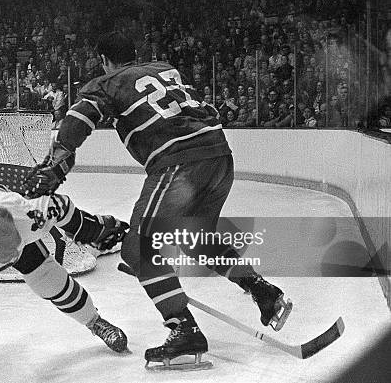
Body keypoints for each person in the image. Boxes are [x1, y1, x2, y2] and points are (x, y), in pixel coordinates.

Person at [23, 32, 292, 370]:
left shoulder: (107, 83)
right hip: (220, 157)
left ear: (104, 61)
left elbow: (77, 122)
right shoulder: (164, 68)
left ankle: (184, 329)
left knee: (138, 248)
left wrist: (54, 166)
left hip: (180, 163)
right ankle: (262, 291)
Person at [0, 182, 129, 383]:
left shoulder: (23, 215)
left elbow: (60, 206)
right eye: (8, 254)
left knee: (50, 279)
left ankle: (94, 321)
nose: (16, 254)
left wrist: (88, 228)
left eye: (17, 243)